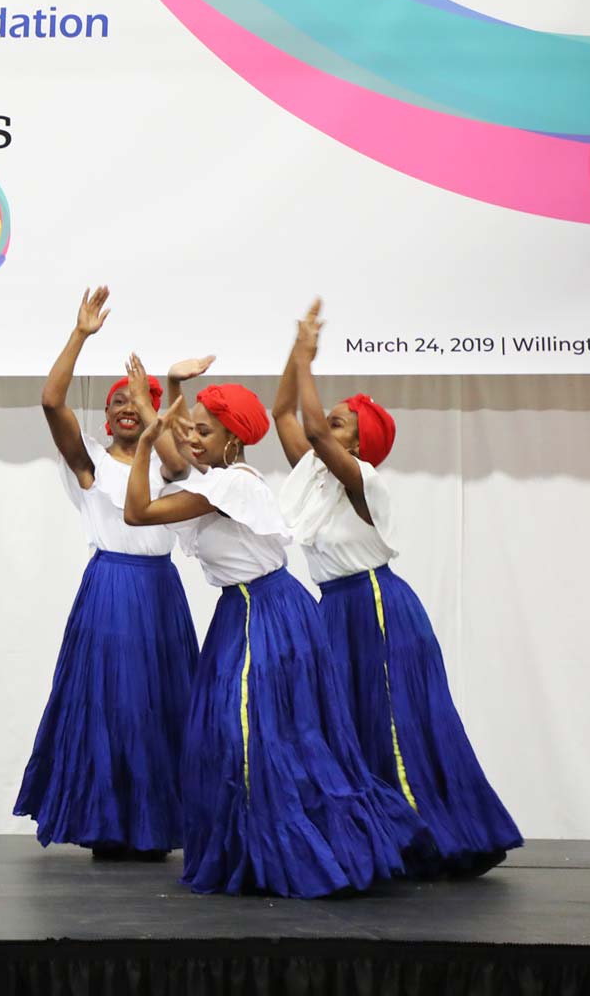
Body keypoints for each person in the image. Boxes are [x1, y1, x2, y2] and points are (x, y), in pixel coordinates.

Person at [121, 357, 430, 897]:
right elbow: (180, 447)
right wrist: (166, 393)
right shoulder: (220, 481)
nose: (191, 438)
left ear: (233, 439)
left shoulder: (234, 487)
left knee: (252, 736)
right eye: (192, 428)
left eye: (204, 431)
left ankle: (293, 850)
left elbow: (138, 513)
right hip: (242, 610)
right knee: (232, 736)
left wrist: (146, 441)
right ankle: (253, 851)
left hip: (266, 612)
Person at [273, 301, 521, 878]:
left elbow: (311, 426)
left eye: (341, 423)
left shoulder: (364, 481)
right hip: (333, 610)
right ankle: (374, 837)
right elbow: (283, 411)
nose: (325, 425)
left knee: (394, 723)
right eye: (331, 419)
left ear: (360, 445)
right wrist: (295, 352)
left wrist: (309, 360)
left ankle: (426, 837)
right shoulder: (313, 475)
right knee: (347, 724)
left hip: (377, 607)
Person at [14, 287, 199, 860]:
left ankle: (157, 825)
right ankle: (107, 823)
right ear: (105, 415)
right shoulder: (89, 461)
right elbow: (51, 401)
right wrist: (80, 335)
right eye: (117, 401)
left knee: (159, 704)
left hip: (160, 590)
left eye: (134, 401)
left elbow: (177, 464)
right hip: (111, 590)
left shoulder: (166, 465)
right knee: (110, 704)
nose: (125, 407)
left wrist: (155, 407)